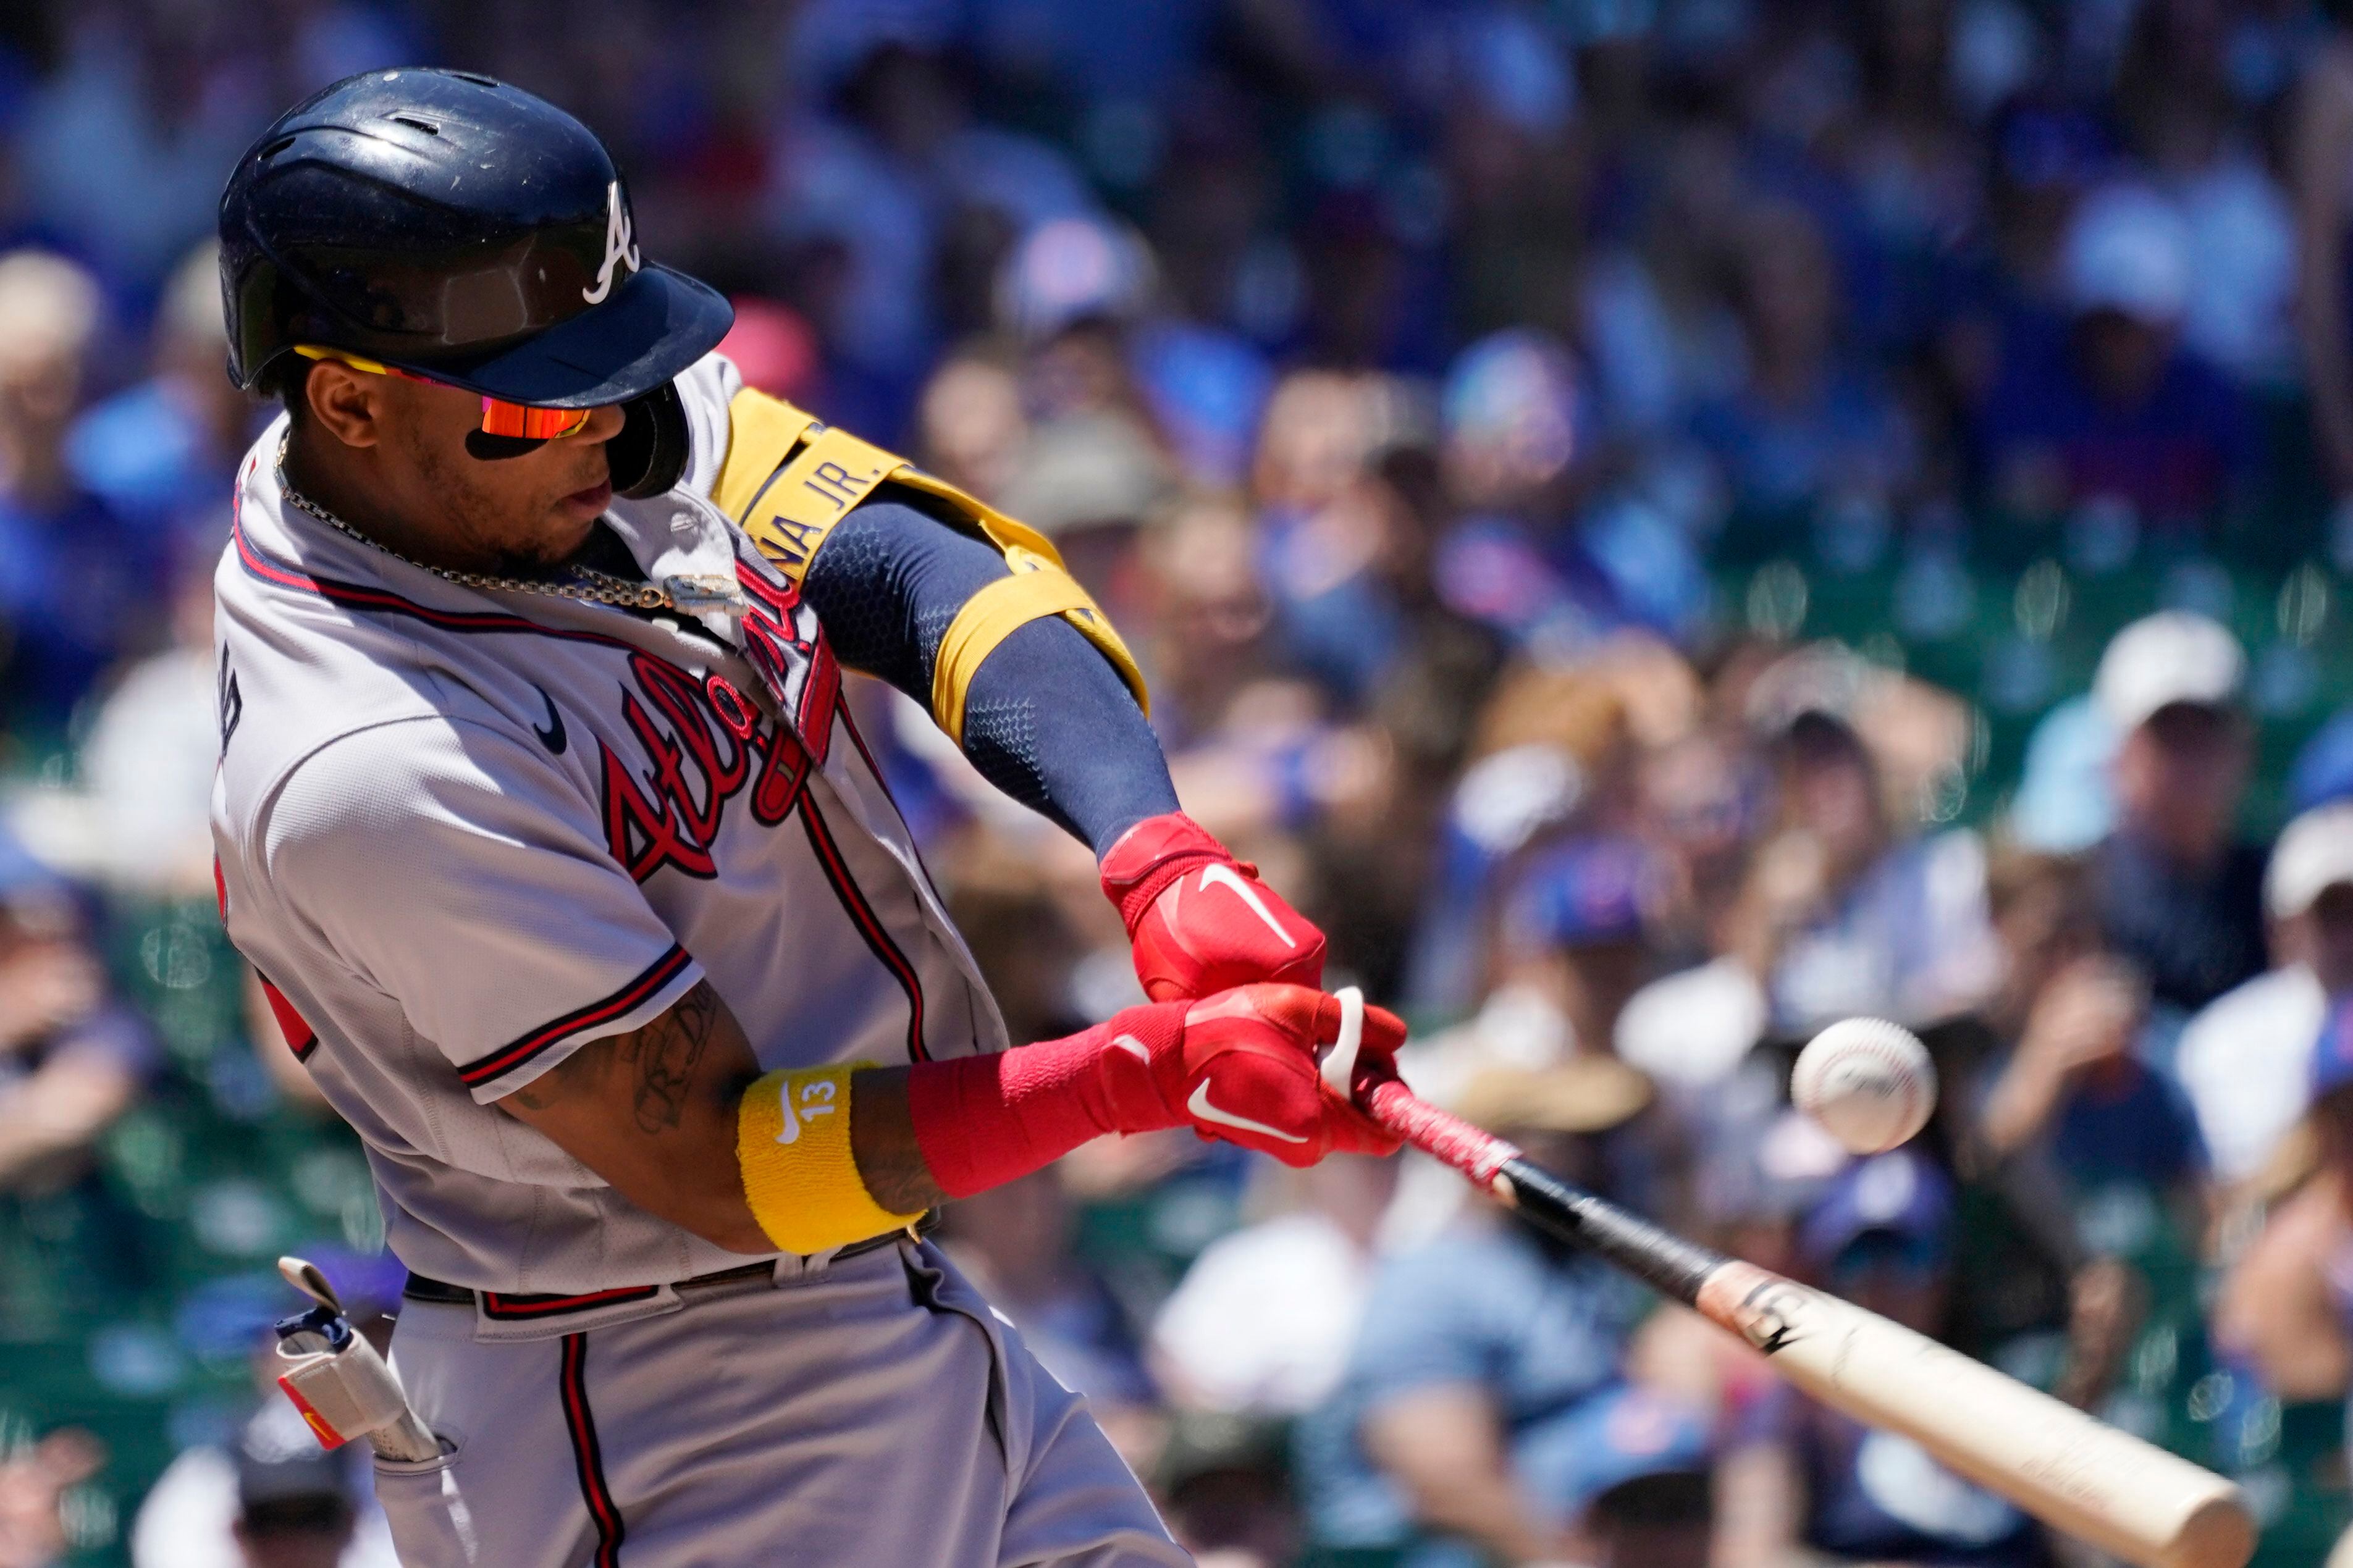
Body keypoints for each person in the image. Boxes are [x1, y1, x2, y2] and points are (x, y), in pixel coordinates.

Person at [209, 70, 1406, 1568]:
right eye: (550, 394)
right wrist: (1123, 1079)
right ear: (350, 399)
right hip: (662, 1417)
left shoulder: (524, 437)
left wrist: (1152, 847)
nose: (608, 418)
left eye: (615, 361)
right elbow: (719, 1162)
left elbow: (915, 568)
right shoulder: (369, 759)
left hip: (883, 1301)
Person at [1717, 1151, 2056, 1568]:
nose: (1880, 1281)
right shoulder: (1796, 1405)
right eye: (1858, 1257)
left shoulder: (2005, 1388)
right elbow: (1748, 1556)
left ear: (1943, 1271)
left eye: (1905, 1256)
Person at [2085, 611, 2268, 1015]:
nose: (2188, 758)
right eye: (2166, 733)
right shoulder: (2077, 898)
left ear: (2243, 749)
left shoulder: (2283, 892)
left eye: (2205, 731)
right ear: (2119, 751)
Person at [2179, 802, 2353, 1188]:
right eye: (2334, 914)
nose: (2350, 937)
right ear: (2283, 929)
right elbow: (2246, 1193)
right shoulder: (2224, 1043)